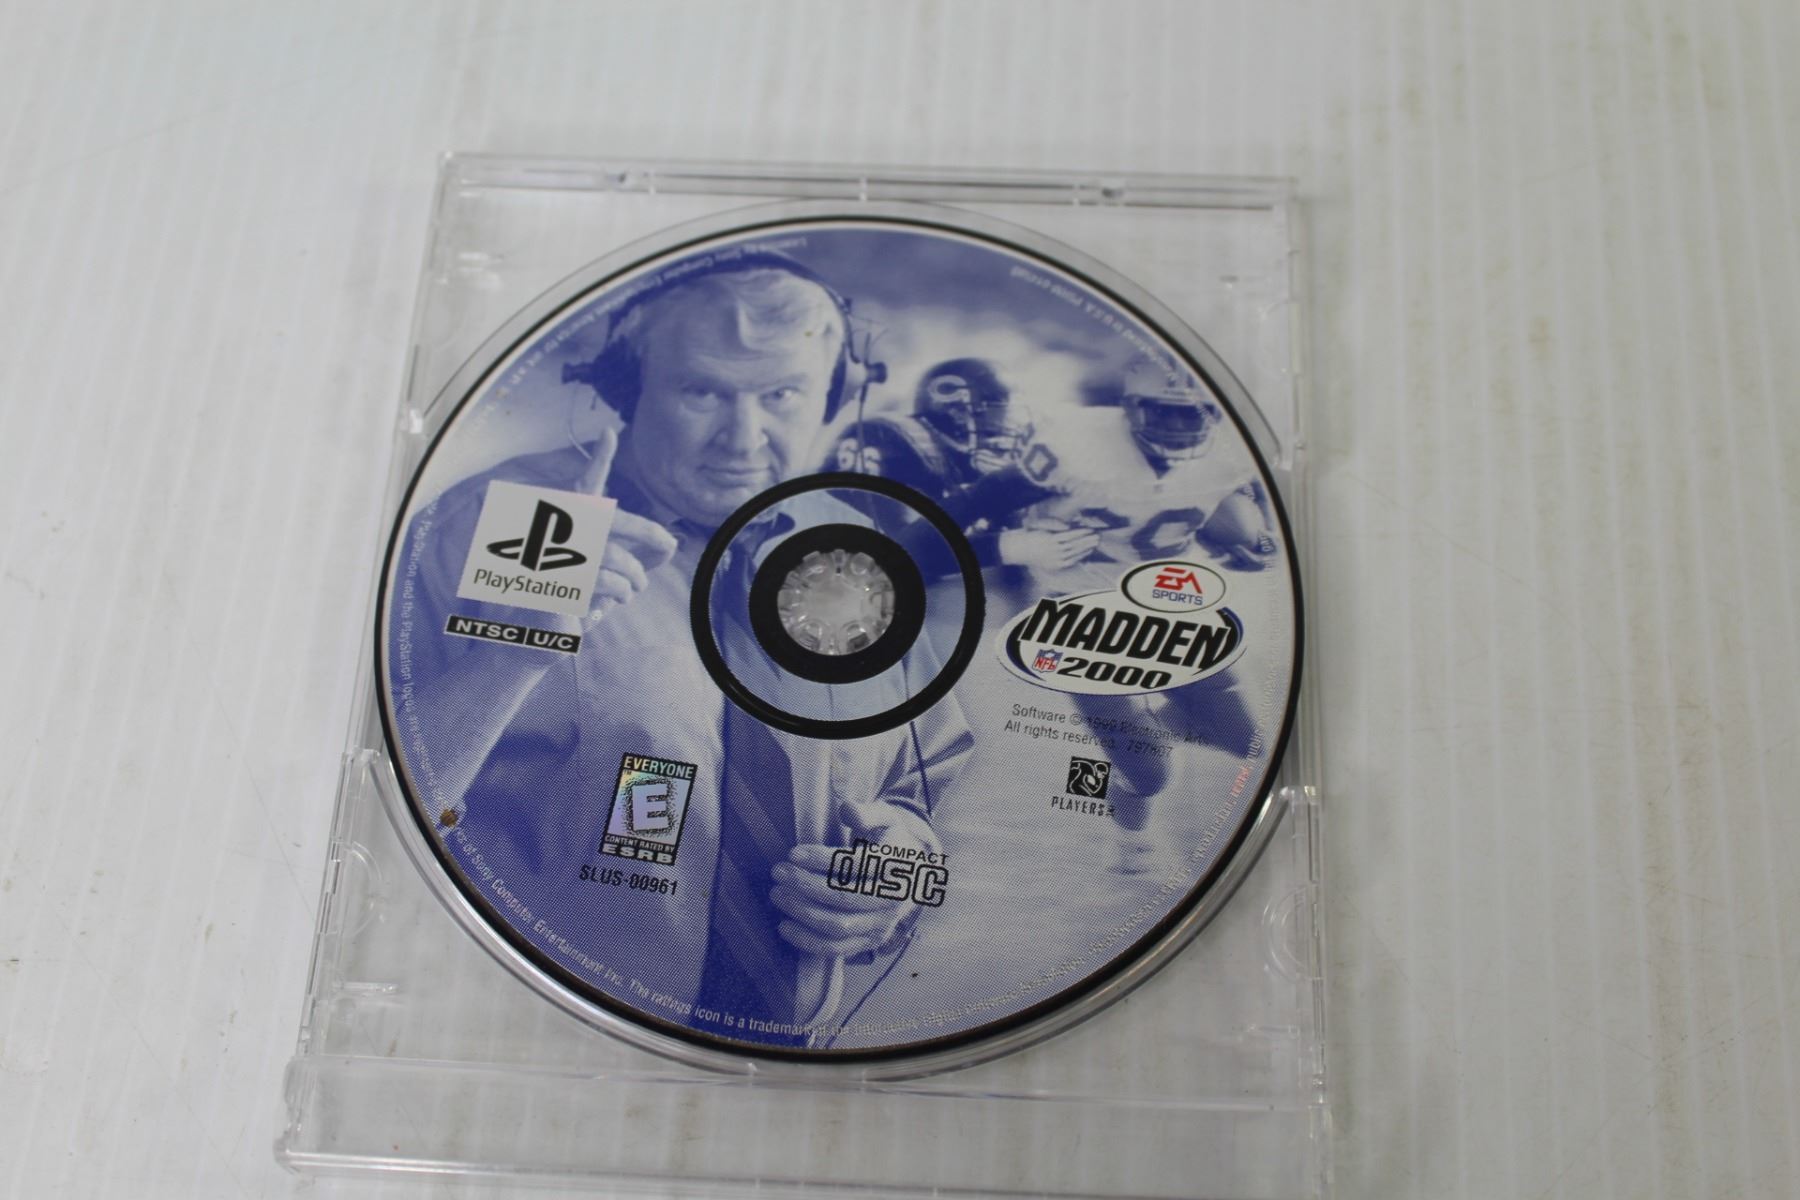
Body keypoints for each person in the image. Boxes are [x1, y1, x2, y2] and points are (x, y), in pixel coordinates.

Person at [398, 255, 970, 1046]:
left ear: (836, 397)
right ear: (629, 389)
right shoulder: (517, 522)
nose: (744, 438)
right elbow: (380, 804)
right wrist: (513, 653)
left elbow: (916, 783)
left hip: (781, 1068)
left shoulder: (853, 548)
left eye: (782, 395)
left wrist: (893, 876)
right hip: (532, 1033)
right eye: (702, 392)